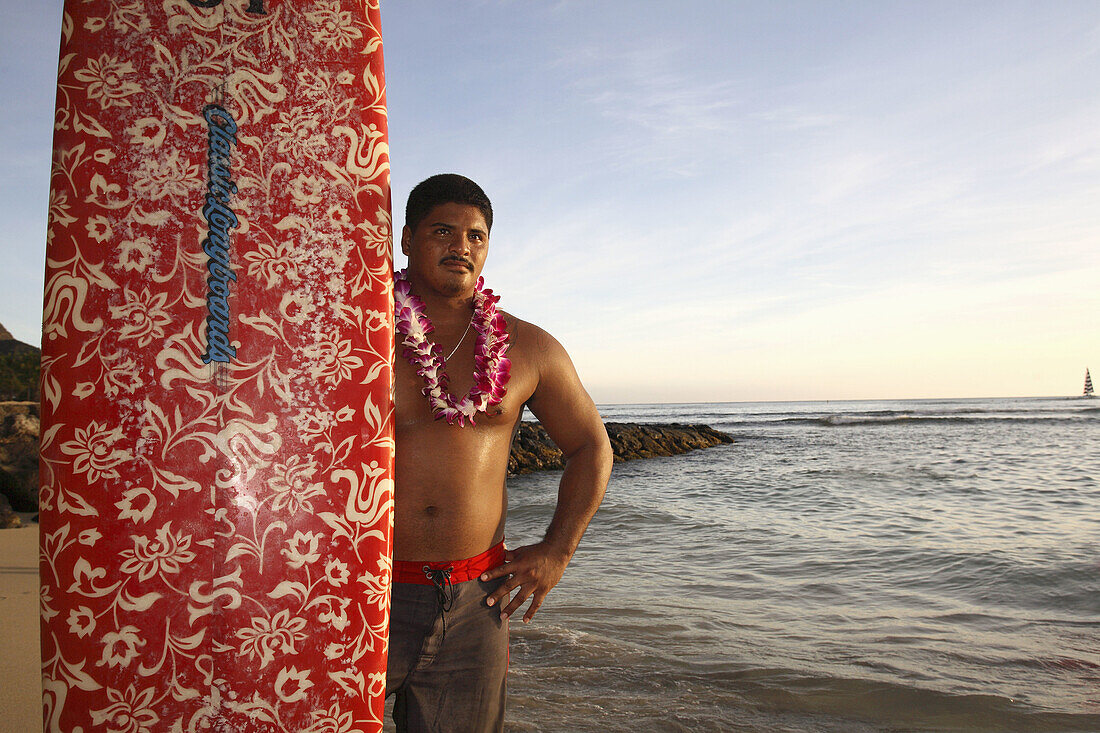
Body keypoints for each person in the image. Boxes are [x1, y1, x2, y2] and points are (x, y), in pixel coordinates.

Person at [385, 174, 612, 732]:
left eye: (477, 236)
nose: (462, 246)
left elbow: (590, 445)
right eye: (444, 231)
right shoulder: (355, 330)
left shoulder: (529, 345)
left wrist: (558, 550)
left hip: (476, 602)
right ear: (407, 238)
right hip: (364, 589)